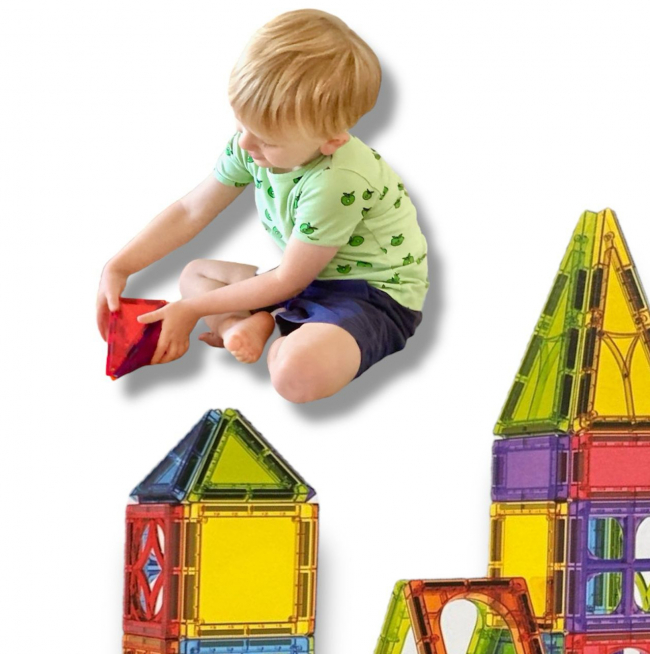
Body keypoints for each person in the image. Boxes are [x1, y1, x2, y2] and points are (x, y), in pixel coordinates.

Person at [96, 8, 428, 403]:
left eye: (267, 139)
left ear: (331, 141)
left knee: (296, 376)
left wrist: (190, 310)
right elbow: (190, 211)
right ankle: (242, 325)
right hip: (305, 274)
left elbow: (288, 281)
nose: (245, 144)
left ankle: (274, 325)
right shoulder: (254, 145)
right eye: (241, 124)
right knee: (195, 274)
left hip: (371, 294)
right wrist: (119, 266)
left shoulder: (338, 182)